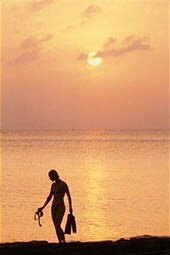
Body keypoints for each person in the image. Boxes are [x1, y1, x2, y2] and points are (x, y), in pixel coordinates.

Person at [38, 169, 73, 243]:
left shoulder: (63, 184)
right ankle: (60, 241)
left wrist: (70, 207)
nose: (49, 178)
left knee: (57, 225)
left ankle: (64, 241)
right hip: (53, 207)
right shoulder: (53, 185)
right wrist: (43, 207)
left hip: (61, 206)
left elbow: (69, 196)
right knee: (56, 226)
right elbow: (50, 197)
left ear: (54, 175)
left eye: (50, 176)